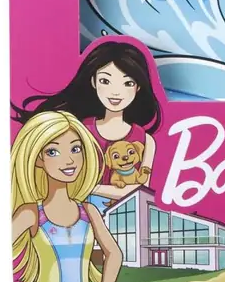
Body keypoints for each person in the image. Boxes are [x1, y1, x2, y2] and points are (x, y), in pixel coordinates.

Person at [12, 41, 163, 209]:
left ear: (138, 87)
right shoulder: (78, 130)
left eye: (128, 83)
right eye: (105, 81)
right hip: (76, 212)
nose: (115, 92)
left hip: (125, 214)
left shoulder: (146, 140)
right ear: (93, 81)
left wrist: (91, 188)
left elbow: (141, 191)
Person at [11, 111, 122, 282]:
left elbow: (114, 254)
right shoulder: (31, 214)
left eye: (75, 149)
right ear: (38, 159)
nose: (69, 160)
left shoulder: (89, 211)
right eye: (53, 152)